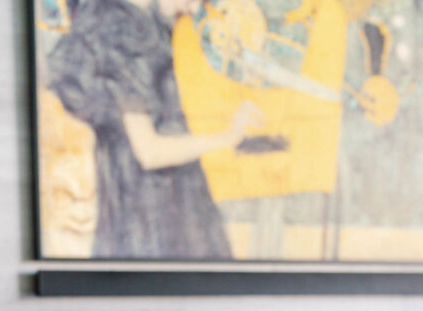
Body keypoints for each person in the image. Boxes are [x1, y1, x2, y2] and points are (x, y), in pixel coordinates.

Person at [47, 0, 263, 258]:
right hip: (147, 213)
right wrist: (227, 137)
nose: (194, 9)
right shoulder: (120, 32)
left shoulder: (146, 21)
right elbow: (149, 151)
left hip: (170, 199)